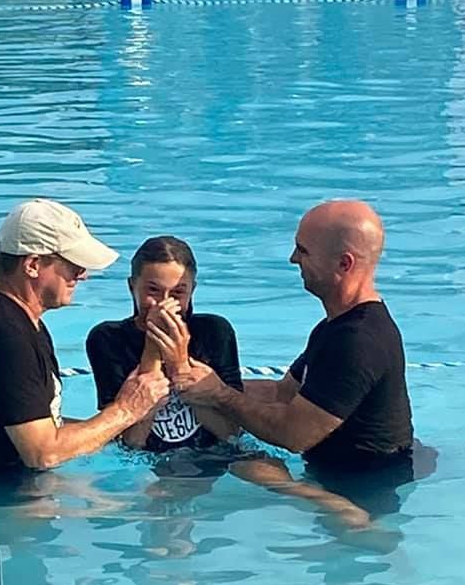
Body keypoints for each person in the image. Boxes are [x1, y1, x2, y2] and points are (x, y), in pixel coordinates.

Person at [148, 199, 414, 488]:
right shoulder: (335, 326)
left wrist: (220, 395)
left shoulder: (358, 341)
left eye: (303, 250)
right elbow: (282, 392)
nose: (292, 259)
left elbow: (293, 435)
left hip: (369, 484)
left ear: (344, 263)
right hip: (342, 472)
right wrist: (195, 381)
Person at [0, 198, 168, 483]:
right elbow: (43, 453)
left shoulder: (20, 322)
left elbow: (40, 425)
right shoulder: (2, 334)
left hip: (0, 482)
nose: (83, 275)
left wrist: (114, 430)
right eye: (73, 264)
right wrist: (126, 410)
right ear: (32, 264)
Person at [85, 234, 243, 454]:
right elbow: (130, 442)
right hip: (148, 462)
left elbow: (232, 434)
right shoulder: (108, 339)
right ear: (132, 286)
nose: (165, 303)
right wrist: (152, 351)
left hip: (214, 454)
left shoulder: (215, 332)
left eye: (178, 293)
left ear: (192, 291)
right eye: (153, 291)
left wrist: (181, 368)